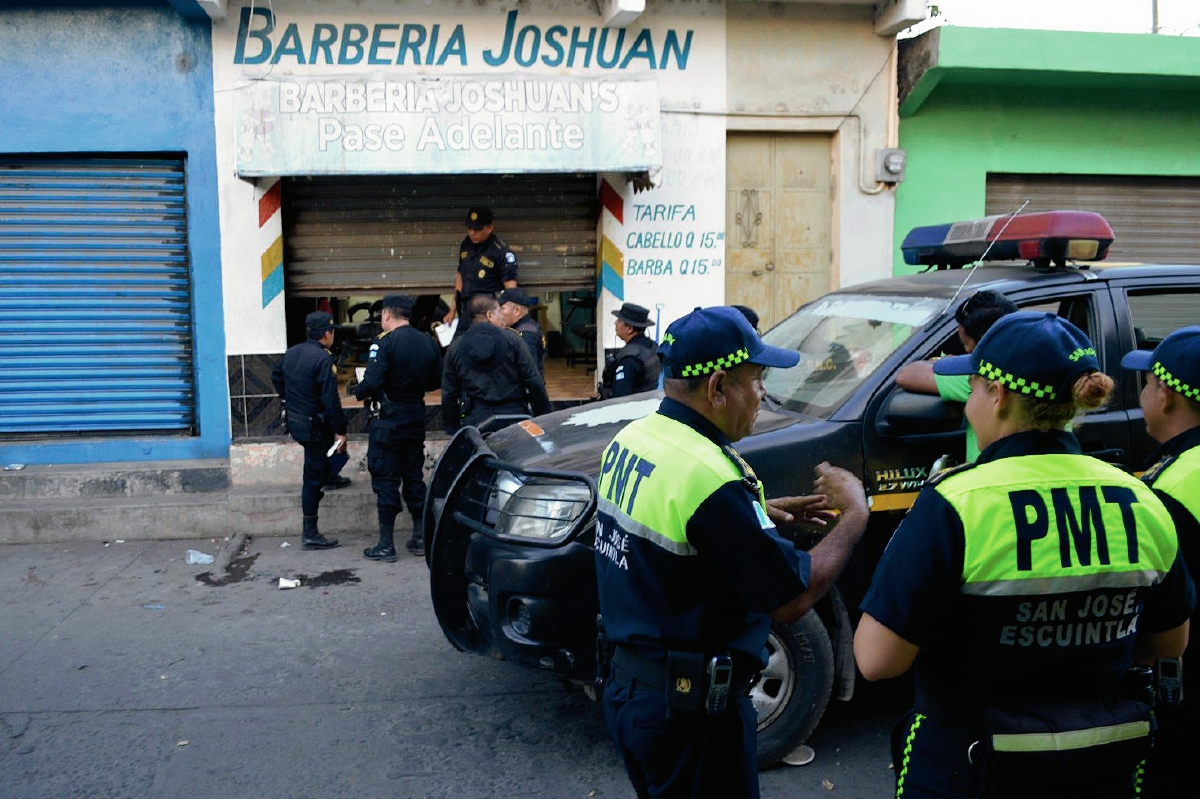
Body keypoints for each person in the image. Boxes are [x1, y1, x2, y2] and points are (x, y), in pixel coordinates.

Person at [854, 312, 1195, 799]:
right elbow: (1169, 644)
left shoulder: (958, 502)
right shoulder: (1141, 499)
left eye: (972, 388)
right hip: (1098, 762)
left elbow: (876, 660)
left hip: (971, 766)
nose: (969, 403)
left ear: (999, 395)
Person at [595, 305, 871, 799]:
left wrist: (752, 517)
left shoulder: (636, 438)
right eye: (758, 379)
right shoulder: (708, 477)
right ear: (718, 386)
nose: (763, 394)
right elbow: (790, 598)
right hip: (691, 714)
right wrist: (854, 514)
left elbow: (676, 536)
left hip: (632, 692)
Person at [1121, 326, 1200, 798]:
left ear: (1166, 395)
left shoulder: (1169, 489)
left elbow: (1161, 611)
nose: (1145, 393)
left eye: (1147, 383)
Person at [352, 295, 442, 561]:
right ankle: (419, 538)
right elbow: (436, 380)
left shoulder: (384, 343)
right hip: (415, 417)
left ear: (387, 315)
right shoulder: (428, 341)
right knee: (413, 475)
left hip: (387, 422)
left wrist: (357, 390)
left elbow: (371, 383)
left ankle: (386, 544)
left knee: (385, 479)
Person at [896, 289, 1018, 462]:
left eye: (965, 344)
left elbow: (907, 374)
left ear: (998, 393)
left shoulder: (980, 374)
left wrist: (947, 360)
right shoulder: (1049, 372)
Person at [271, 310, 348, 551]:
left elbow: (276, 376)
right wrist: (341, 429)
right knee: (312, 478)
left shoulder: (292, 352)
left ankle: (330, 476)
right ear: (327, 334)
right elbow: (330, 398)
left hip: (297, 422)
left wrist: (288, 397)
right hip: (314, 424)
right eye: (332, 331)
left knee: (322, 457)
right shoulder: (323, 359)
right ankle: (310, 533)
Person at [441, 295, 551, 434]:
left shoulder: (456, 347)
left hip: (476, 420)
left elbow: (449, 393)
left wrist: (452, 428)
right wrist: (544, 416)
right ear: (490, 315)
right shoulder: (514, 340)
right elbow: (534, 381)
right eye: (499, 312)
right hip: (515, 416)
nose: (502, 317)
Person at [442, 207, 518, 338]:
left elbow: (511, 289)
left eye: (477, 230)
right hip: (466, 309)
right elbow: (461, 276)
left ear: (489, 228)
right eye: (469, 228)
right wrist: (452, 309)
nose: (472, 233)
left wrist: (506, 317)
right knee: (459, 345)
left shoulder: (500, 251)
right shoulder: (466, 244)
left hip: (486, 311)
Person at [599, 302, 660, 398]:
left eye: (619, 320)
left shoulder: (629, 359)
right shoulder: (652, 347)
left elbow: (621, 399)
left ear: (629, 328)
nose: (615, 323)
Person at [497, 287, 545, 375]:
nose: (499, 313)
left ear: (517, 311)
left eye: (502, 309)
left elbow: (529, 372)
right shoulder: (528, 326)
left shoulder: (526, 335)